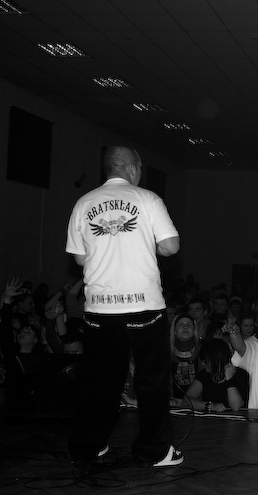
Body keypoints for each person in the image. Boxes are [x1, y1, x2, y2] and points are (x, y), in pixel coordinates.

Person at [66, 146, 182, 467]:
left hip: (100, 309)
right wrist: (143, 243)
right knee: (151, 380)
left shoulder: (83, 202)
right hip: (144, 307)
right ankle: (154, 451)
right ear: (132, 168)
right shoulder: (148, 199)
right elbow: (170, 246)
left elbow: (80, 259)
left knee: (99, 381)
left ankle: (87, 447)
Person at [175, 339, 248, 413]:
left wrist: (229, 379)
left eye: (205, 361)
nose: (203, 364)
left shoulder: (240, 375)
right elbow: (187, 401)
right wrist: (210, 406)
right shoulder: (204, 374)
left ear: (215, 360)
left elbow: (236, 406)